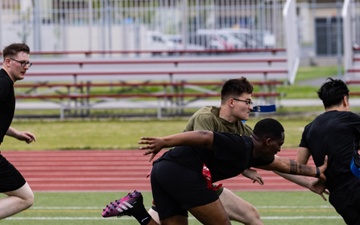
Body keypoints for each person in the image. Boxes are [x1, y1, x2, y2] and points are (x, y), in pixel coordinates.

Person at [102, 78, 327, 224]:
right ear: (231, 102)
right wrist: (164, 141)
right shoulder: (206, 118)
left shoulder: (244, 132)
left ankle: (136, 209)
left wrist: (313, 178)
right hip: (188, 175)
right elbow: (203, 140)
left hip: (176, 172)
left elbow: (275, 162)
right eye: (247, 102)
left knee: (252, 216)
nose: (251, 107)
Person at [281, 78, 360, 224]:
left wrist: (310, 182)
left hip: (338, 197)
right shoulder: (351, 119)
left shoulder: (309, 128)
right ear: (345, 100)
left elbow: (298, 167)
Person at [0, 43, 36, 219]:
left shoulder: (4, 82)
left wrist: (16, 134)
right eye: (22, 63)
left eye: (28, 63)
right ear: (8, 61)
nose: (26, 67)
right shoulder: (3, 84)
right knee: (25, 197)